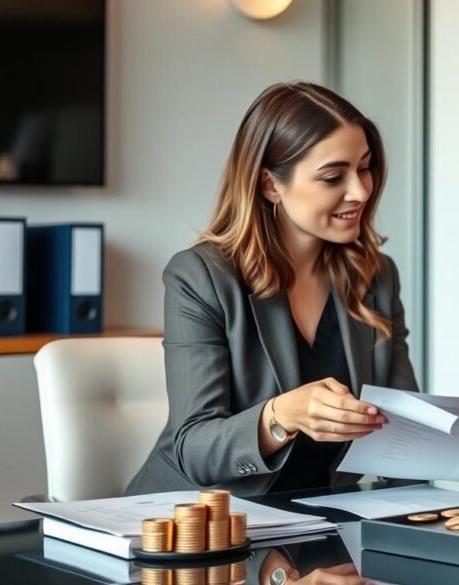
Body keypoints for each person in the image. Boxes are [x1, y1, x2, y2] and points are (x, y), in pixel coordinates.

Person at [126, 82, 417, 496]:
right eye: (333, 176)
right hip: (195, 517)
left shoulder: (376, 275)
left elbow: (406, 433)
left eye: (365, 168)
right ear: (269, 185)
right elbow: (194, 448)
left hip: (318, 517)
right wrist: (282, 415)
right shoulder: (201, 276)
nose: (361, 191)